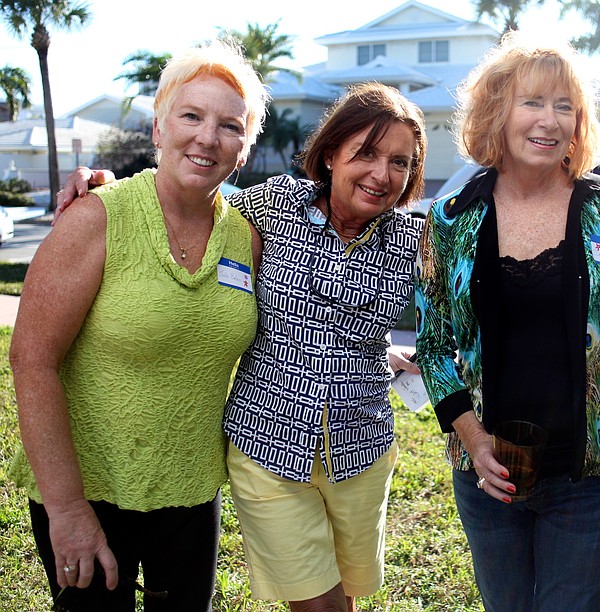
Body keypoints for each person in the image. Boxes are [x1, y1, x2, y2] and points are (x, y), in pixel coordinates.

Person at [62, 81, 426, 612]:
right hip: (269, 447)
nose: (381, 174)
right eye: (365, 153)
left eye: (400, 162)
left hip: (363, 449)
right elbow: (183, 197)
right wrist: (108, 188)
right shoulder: (272, 207)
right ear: (330, 155)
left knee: (344, 598)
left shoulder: (413, 239)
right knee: (318, 605)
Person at [9, 40, 268, 611]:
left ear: (244, 148)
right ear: (158, 128)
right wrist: (68, 510)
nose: (207, 137)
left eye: (229, 125)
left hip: (192, 495)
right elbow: (32, 360)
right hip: (89, 493)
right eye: (191, 116)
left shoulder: (247, 235)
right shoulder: (96, 217)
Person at [414, 32, 600, 611]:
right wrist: (474, 439)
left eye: (564, 106)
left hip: (588, 476)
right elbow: (436, 344)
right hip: (489, 473)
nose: (549, 120)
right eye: (532, 102)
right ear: (498, 110)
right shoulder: (451, 218)